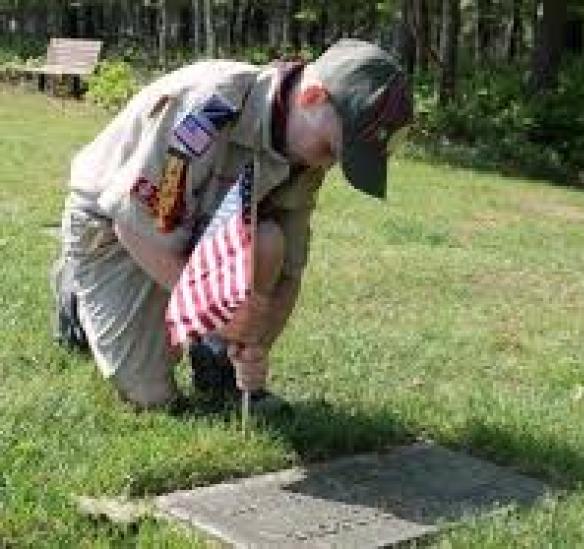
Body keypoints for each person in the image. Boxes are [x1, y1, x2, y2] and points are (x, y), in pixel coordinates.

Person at [51, 39, 413, 408]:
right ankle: (75, 296)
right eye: (331, 149)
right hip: (117, 224)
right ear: (312, 97)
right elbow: (134, 224)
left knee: (269, 240)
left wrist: (254, 348)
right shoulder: (209, 108)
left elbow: (288, 272)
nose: (328, 164)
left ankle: (217, 363)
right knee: (150, 394)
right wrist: (212, 312)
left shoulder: (305, 149)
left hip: (196, 227)